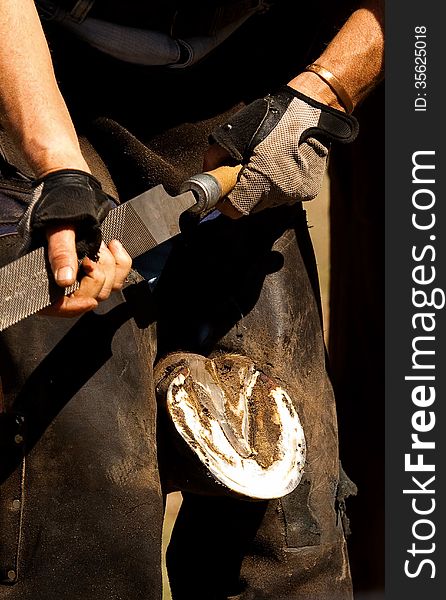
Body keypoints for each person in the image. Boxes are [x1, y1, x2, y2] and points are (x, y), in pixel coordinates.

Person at [0, 1, 384, 599]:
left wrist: (324, 92)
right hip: (40, 74)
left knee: (292, 541)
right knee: (86, 534)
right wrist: (54, 162)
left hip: (240, 105)